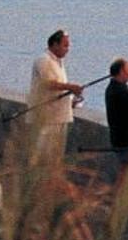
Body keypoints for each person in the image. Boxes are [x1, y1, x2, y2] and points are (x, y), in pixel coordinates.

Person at [26, 28, 84, 162]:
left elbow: (58, 87)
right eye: (65, 45)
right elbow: (49, 84)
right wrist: (71, 87)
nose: (67, 49)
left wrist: (70, 100)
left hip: (59, 117)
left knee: (55, 156)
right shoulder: (43, 60)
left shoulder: (59, 62)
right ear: (54, 44)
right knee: (44, 155)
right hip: (47, 118)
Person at [104, 58, 128, 169]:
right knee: (127, 172)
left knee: (124, 170)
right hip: (127, 140)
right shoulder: (123, 92)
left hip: (117, 138)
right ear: (121, 72)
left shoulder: (110, 88)